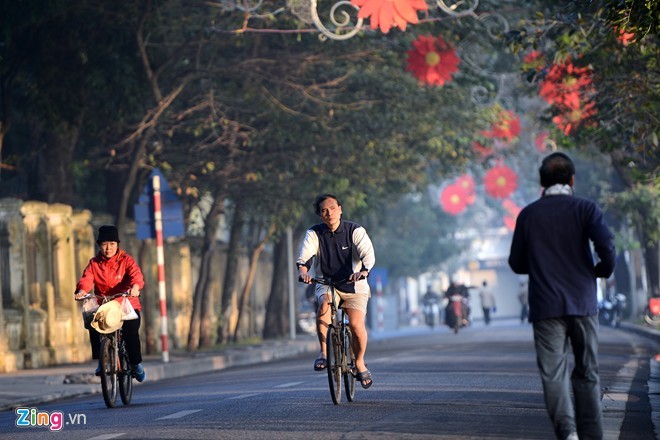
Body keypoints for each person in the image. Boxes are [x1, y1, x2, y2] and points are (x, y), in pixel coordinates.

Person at [508, 152, 616, 440]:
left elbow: (516, 263)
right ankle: (592, 434)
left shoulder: (529, 214)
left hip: (546, 306)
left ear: (542, 183)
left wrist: (541, 263)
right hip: (582, 302)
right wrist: (601, 270)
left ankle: (567, 432)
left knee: (553, 374)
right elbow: (606, 245)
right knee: (587, 371)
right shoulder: (586, 208)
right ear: (572, 179)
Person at [297, 194, 376, 389]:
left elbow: (368, 254)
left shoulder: (354, 230)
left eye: (332, 208)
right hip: (326, 282)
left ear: (340, 209)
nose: (329, 213)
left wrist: (364, 271)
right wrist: (304, 272)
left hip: (354, 284)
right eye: (324, 210)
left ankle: (359, 362)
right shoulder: (314, 233)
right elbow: (305, 257)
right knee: (324, 304)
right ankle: (323, 353)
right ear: (320, 215)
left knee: (356, 325)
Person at [74, 225, 147, 382]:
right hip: (105, 305)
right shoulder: (94, 263)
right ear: (100, 245)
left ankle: (135, 364)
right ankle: (102, 361)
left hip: (127, 304)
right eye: (104, 244)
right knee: (92, 322)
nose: (108, 248)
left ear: (117, 244)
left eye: (112, 244)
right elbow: (86, 279)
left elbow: (136, 276)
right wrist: (82, 290)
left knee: (131, 333)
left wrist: (135, 287)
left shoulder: (126, 261)